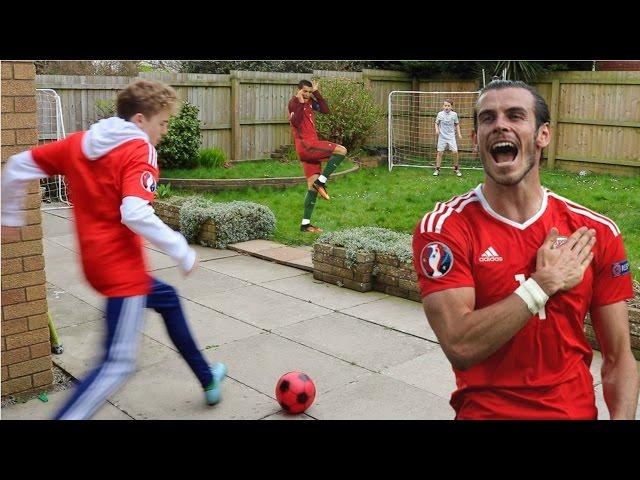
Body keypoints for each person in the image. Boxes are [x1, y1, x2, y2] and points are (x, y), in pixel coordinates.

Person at [1, 79, 227, 420]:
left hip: (95, 264)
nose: (164, 132)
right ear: (139, 121)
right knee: (117, 365)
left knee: (167, 300)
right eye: (162, 123)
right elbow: (135, 212)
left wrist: (10, 216)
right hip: (124, 274)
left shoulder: (79, 144)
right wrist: (180, 248)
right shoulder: (139, 149)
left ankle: (207, 377)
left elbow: (18, 165)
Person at [412, 80, 639, 420]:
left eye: (515, 115)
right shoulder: (445, 229)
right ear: (475, 141)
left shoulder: (594, 233)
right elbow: (460, 345)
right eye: (488, 118)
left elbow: (619, 357)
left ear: (542, 135)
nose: (500, 124)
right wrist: (542, 284)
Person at [288, 79, 347, 233]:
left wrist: (316, 93)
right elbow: (295, 122)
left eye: (309, 91)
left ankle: (305, 225)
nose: (307, 94)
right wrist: (300, 103)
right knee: (341, 150)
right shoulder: (294, 103)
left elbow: (326, 110)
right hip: (307, 146)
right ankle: (321, 182)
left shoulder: (310, 101)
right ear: (298, 90)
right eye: (304, 91)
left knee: (311, 188)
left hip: (309, 148)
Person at [433, 99, 463, 177]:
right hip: (442, 136)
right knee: (440, 152)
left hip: (451, 136)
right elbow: (436, 123)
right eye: (445, 105)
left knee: (455, 152)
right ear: (443, 106)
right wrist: (437, 130)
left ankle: (456, 168)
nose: (447, 107)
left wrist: (459, 134)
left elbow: (457, 124)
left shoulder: (454, 115)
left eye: (448, 106)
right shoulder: (440, 114)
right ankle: (437, 169)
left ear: (451, 107)